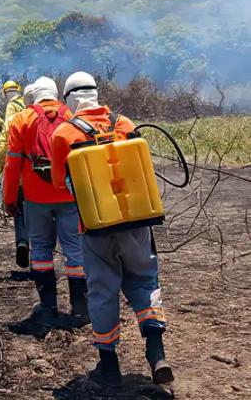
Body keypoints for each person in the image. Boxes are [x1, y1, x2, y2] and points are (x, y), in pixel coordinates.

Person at [51, 72, 173, 387]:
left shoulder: (64, 134)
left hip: (95, 229)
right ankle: (157, 354)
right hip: (136, 224)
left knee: (103, 292)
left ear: (70, 100)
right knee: (145, 283)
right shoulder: (126, 124)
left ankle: (109, 365)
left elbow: (57, 183)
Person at [3, 76, 89, 337]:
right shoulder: (72, 115)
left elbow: (12, 163)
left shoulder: (22, 119)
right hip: (69, 196)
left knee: (40, 250)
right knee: (74, 250)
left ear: (35, 95)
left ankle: (49, 307)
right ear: (56, 94)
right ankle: (81, 308)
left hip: (35, 197)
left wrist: (9, 199)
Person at [0, 80, 29, 268]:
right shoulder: (33, 105)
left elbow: (5, 138)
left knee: (20, 209)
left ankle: (22, 242)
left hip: (21, 170)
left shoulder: (12, 108)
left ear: (5, 93)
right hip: (44, 173)